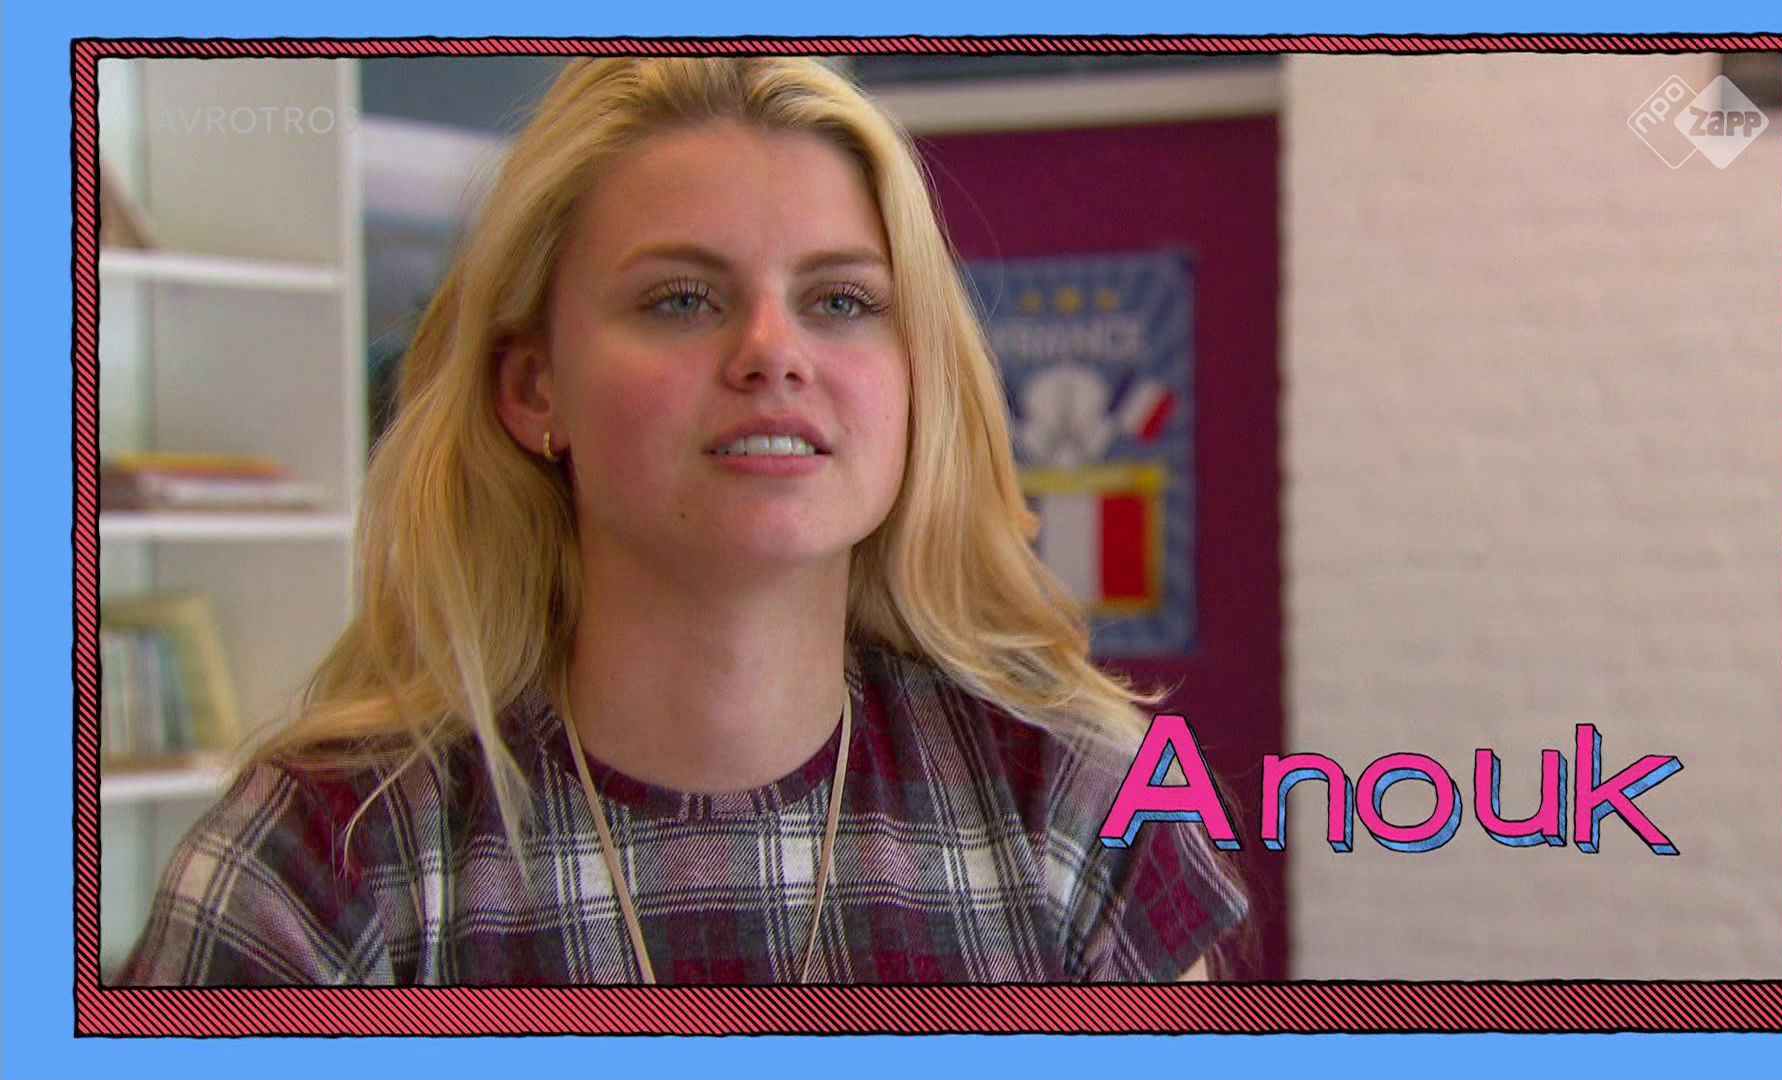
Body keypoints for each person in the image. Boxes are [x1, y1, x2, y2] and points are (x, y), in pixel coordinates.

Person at [117, 57, 1249, 986]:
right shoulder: (325, 864)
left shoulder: (1078, 805)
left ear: (917, 380)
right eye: (681, 298)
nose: (773, 352)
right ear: (534, 390)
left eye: (842, 300)